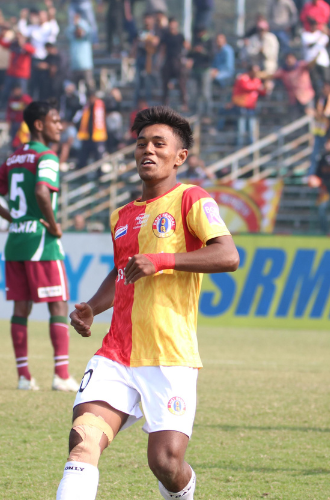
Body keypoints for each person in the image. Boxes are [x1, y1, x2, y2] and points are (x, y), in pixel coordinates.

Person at [54, 105, 239, 500]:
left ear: (180, 157)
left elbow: (228, 256)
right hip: (116, 352)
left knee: (166, 463)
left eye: (159, 144)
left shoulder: (191, 198)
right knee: (84, 439)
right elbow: (123, 270)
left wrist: (163, 260)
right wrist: (91, 306)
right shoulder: (121, 215)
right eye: (141, 144)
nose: (148, 151)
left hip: (168, 354)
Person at [0, 101, 79, 393]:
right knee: (58, 303)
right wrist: (54, 224)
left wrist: (12, 217)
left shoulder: (13, 158)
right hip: (40, 241)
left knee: (21, 307)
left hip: (15, 242)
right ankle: (61, 374)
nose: (60, 126)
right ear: (39, 124)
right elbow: (41, 192)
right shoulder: (47, 157)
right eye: (55, 120)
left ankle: (24, 377)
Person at [217, 64, 267, 147]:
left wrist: (266, 86)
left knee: (251, 129)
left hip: (251, 107)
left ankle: (252, 148)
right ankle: (239, 146)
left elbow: (262, 92)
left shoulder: (256, 80)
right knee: (241, 128)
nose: (257, 73)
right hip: (241, 106)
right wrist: (259, 85)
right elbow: (247, 87)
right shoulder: (243, 77)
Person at [0, 31, 36, 107]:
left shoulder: (27, 45)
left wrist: (22, 43)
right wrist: (3, 33)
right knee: (6, 91)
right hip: (11, 73)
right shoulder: (13, 45)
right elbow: (1, 43)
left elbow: (33, 50)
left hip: (22, 74)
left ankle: (23, 109)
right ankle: (3, 107)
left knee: (22, 93)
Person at [273, 52, 315, 119]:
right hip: (294, 99)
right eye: (287, 59)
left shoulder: (301, 65)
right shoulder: (283, 71)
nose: (289, 60)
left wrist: (316, 57)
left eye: (291, 58)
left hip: (306, 96)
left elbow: (310, 64)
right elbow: (272, 75)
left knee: (309, 116)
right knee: (295, 118)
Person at [160, 17, 189, 110]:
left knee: (182, 82)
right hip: (168, 60)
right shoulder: (166, 36)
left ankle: (184, 103)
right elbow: (162, 49)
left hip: (178, 60)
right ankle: (164, 102)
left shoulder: (180, 36)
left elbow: (186, 46)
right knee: (165, 82)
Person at [133, 13, 161, 107]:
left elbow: (155, 42)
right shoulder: (140, 32)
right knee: (139, 82)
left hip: (152, 60)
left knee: (150, 82)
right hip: (141, 60)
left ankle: (150, 102)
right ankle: (137, 103)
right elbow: (138, 43)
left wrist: (148, 40)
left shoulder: (156, 31)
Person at [76, 92, 108, 169]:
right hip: (87, 137)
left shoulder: (101, 105)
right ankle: (81, 174)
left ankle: (100, 175)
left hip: (98, 137)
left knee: (98, 157)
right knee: (83, 157)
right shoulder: (86, 107)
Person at [206, 34, 235, 115]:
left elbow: (228, 68)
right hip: (217, 75)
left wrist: (217, 72)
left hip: (226, 75)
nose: (218, 42)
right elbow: (214, 65)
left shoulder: (227, 50)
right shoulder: (216, 51)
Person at [301, 19, 330, 97]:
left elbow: (327, 43)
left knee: (326, 82)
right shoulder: (305, 35)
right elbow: (310, 45)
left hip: (323, 61)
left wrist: (327, 34)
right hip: (311, 62)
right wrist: (321, 36)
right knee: (314, 83)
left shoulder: (322, 35)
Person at [69, 14, 95, 93]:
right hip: (75, 67)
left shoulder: (86, 39)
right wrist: (74, 24)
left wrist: (79, 22)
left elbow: (89, 30)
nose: (78, 31)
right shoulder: (73, 39)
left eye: (80, 30)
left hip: (86, 67)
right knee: (74, 89)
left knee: (89, 87)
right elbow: (68, 31)